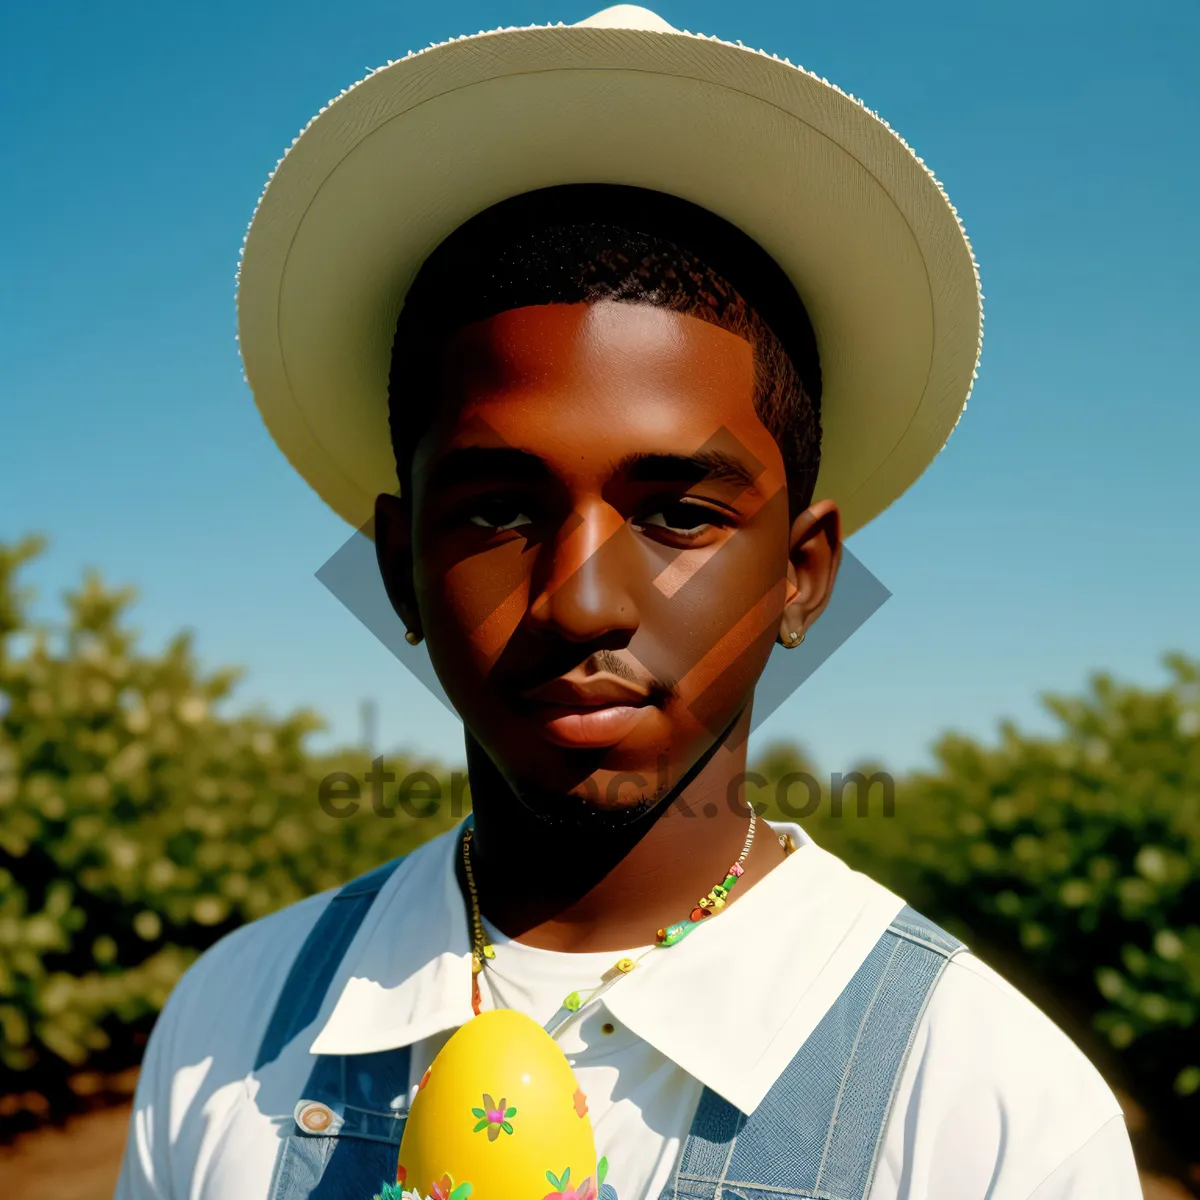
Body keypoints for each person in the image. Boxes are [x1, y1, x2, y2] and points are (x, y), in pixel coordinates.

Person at [115, 6, 1143, 1200]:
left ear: (802, 575)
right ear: (399, 568)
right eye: (499, 511)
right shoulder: (226, 1033)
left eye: (681, 516)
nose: (583, 600)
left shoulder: (984, 1108)